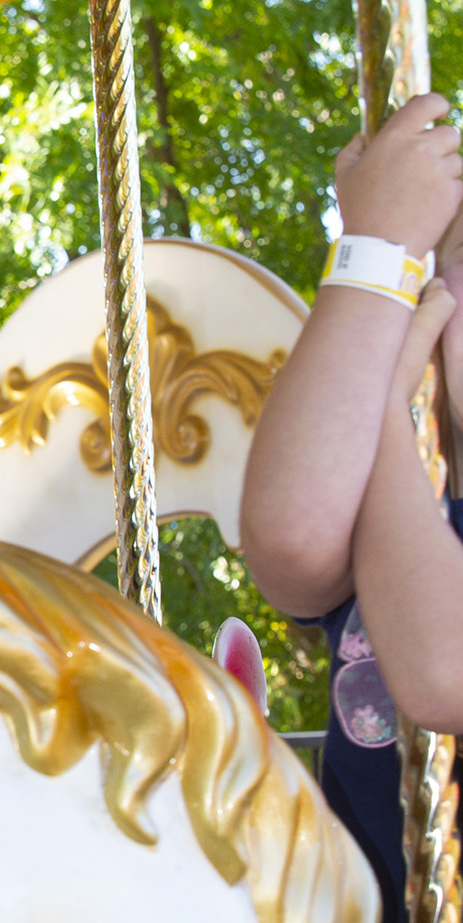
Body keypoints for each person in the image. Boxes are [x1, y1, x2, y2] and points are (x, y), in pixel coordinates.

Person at [241, 91, 463, 923]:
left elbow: (444, 671)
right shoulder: (381, 490)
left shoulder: (390, 474)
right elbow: (288, 542)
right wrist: (376, 254)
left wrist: (390, 427)